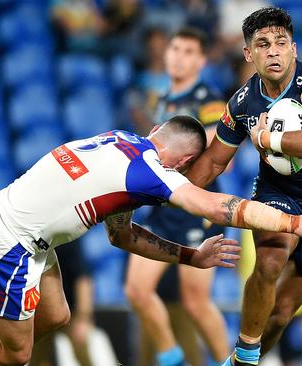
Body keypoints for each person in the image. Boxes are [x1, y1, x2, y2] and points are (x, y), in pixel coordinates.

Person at [0, 116, 302, 366]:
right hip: (10, 245)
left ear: (154, 132)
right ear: (183, 163)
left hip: (7, 218)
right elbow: (217, 206)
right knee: (14, 357)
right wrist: (294, 223)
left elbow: (121, 236)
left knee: (57, 317)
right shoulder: (152, 172)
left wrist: (191, 257)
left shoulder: (119, 139)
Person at [182, 8, 302, 366]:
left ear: (293, 48)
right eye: (263, 44)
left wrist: (266, 137)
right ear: (249, 54)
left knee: (283, 312)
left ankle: (249, 360)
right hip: (279, 192)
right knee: (270, 263)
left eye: (280, 43)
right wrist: (168, 191)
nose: (273, 51)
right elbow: (214, 161)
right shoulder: (243, 103)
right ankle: (244, 356)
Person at [125, 27, 231, 366]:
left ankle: (230, 362)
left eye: (188, 51)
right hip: (162, 207)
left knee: (195, 301)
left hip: (195, 207)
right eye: (174, 48)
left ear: (201, 60)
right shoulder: (162, 99)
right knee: (137, 291)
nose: (178, 56)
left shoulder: (210, 101)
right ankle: (172, 359)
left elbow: (220, 161)